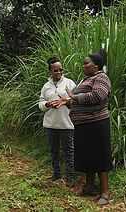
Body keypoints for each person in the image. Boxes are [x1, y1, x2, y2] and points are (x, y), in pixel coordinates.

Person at [59, 48, 112, 205]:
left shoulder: (102, 77)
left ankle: (105, 192)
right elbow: (78, 101)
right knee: (88, 155)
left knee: (100, 157)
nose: (83, 66)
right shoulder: (84, 80)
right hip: (83, 125)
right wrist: (67, 102)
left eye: (86, 63)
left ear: (96, 65)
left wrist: (74, 97)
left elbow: (97, 96)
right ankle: (89, 187)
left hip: (97, 123)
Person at [39, 56, 76, 187]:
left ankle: (70, 176)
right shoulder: (46, 86)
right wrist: (48, 104)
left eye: (61, 70)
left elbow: (76, 102)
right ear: (50, 71)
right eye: (55, 70)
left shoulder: (70, 84)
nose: (59, 72)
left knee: (69, 151)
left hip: (67, 124)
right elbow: (40, 104)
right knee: (53, 150)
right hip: (50, 124)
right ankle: (56, 173)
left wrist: (65, 102)